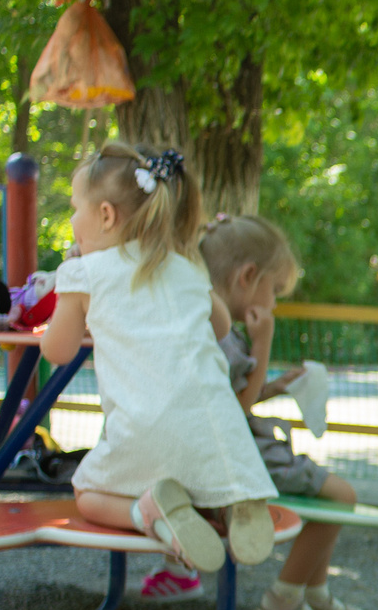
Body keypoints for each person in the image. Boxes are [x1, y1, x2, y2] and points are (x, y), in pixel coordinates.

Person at [39, 142, 276, 571]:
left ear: (106, 215)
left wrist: (70, 302)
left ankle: (148, 512)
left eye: (76, 209)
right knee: (210, 476)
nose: (73, 220)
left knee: (86, 494)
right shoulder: (184, 266)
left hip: (144, 430)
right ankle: (237, 505)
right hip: (218, 435)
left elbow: (58, 350)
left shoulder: (83, 274)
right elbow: (220, 327)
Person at [199, 214, 369, 610]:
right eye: (273, 290)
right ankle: (287, 597)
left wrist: (274, 386)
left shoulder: (204, 323)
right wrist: (263, 343)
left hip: (234, 448)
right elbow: (231, 411)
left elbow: (234, 396)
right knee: (342, 495)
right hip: (240, 457)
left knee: (336, 495)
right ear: (247, 276)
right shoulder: (220, 335)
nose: (273, 303)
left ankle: (312, 590)